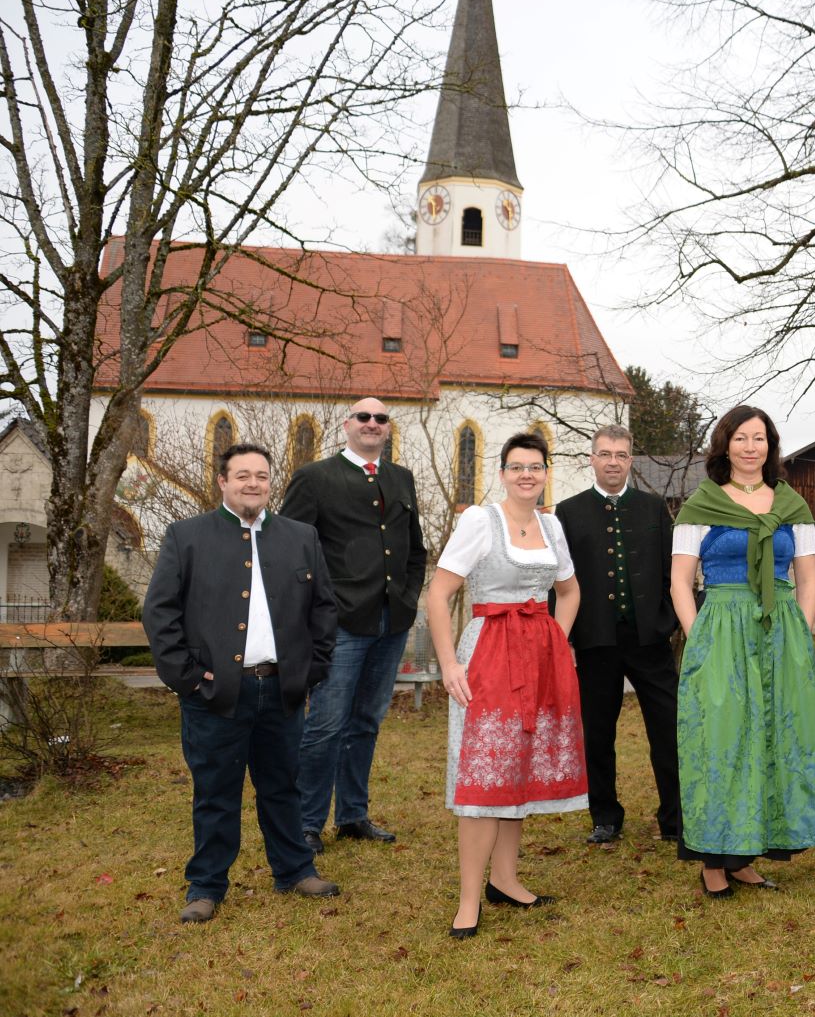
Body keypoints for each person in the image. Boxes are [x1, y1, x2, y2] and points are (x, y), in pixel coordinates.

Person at [142, 443, 341, 924]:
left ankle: (295, 869)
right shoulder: (187, 537)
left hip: (281, 690)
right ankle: (206, 885)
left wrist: (310, 669)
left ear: (271, 482)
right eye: (242, 475)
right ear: (222, 482)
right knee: (215, 790)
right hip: (214, 695)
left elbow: (324, 610)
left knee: (283, 787)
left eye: (261, 475)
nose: (252, 483)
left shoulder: (300, 537)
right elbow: (160, 612)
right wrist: (187, 678)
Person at [427, 433, 587, 938]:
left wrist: (555, 642)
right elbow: (438, 593)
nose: (526, 475)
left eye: (536, 467)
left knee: (519, 769)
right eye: (517, 467)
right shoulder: (479, 520)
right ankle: (469, 900)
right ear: (501, 473)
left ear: (545, 474)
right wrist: (450, 663)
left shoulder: (551, 524)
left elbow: (569, 590)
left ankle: (506, 879)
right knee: (485, 772)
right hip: (489, 652)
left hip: (539, 654)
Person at [671, 406, 815, 898]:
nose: (750, 447)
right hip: (721, 626)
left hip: (778, 628)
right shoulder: (702, 504)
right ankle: (714, 861)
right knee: (721, 739)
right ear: (725, 445)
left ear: (770, 446)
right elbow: (679, 580)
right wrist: (699, 636)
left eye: (759, 438)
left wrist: (798, 635)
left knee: (773, 739)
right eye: (741, 438)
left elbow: (807, 578)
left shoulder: (792, 506)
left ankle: (748, 855)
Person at [283, 397, 427, 853]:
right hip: (340, 623)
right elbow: (290, 550)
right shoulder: (315, 478)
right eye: (363, 417)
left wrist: (406, 595)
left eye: (380, 418)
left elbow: (415, 548)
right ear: (347, 425)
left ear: (387, 429)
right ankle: (306, 823)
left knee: (366, 721)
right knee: (325, 724)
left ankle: (352, 815)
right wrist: (316, 608)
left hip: (392, 620)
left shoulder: (400, 478)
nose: (372, 424)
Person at [554, 424, 682, 845]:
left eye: (621, 454)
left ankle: (675, 817)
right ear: (592, 458)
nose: (612, 461)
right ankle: (605, 816)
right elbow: (560, 581)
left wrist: (669, 621)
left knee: (667, 728)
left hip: (650, 640)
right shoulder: (568, 512)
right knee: (597, 732)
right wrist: (565, 639)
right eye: (605, 453)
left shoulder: (653, 508)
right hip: (596, 640)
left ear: (630, 460)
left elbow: (670, 570)